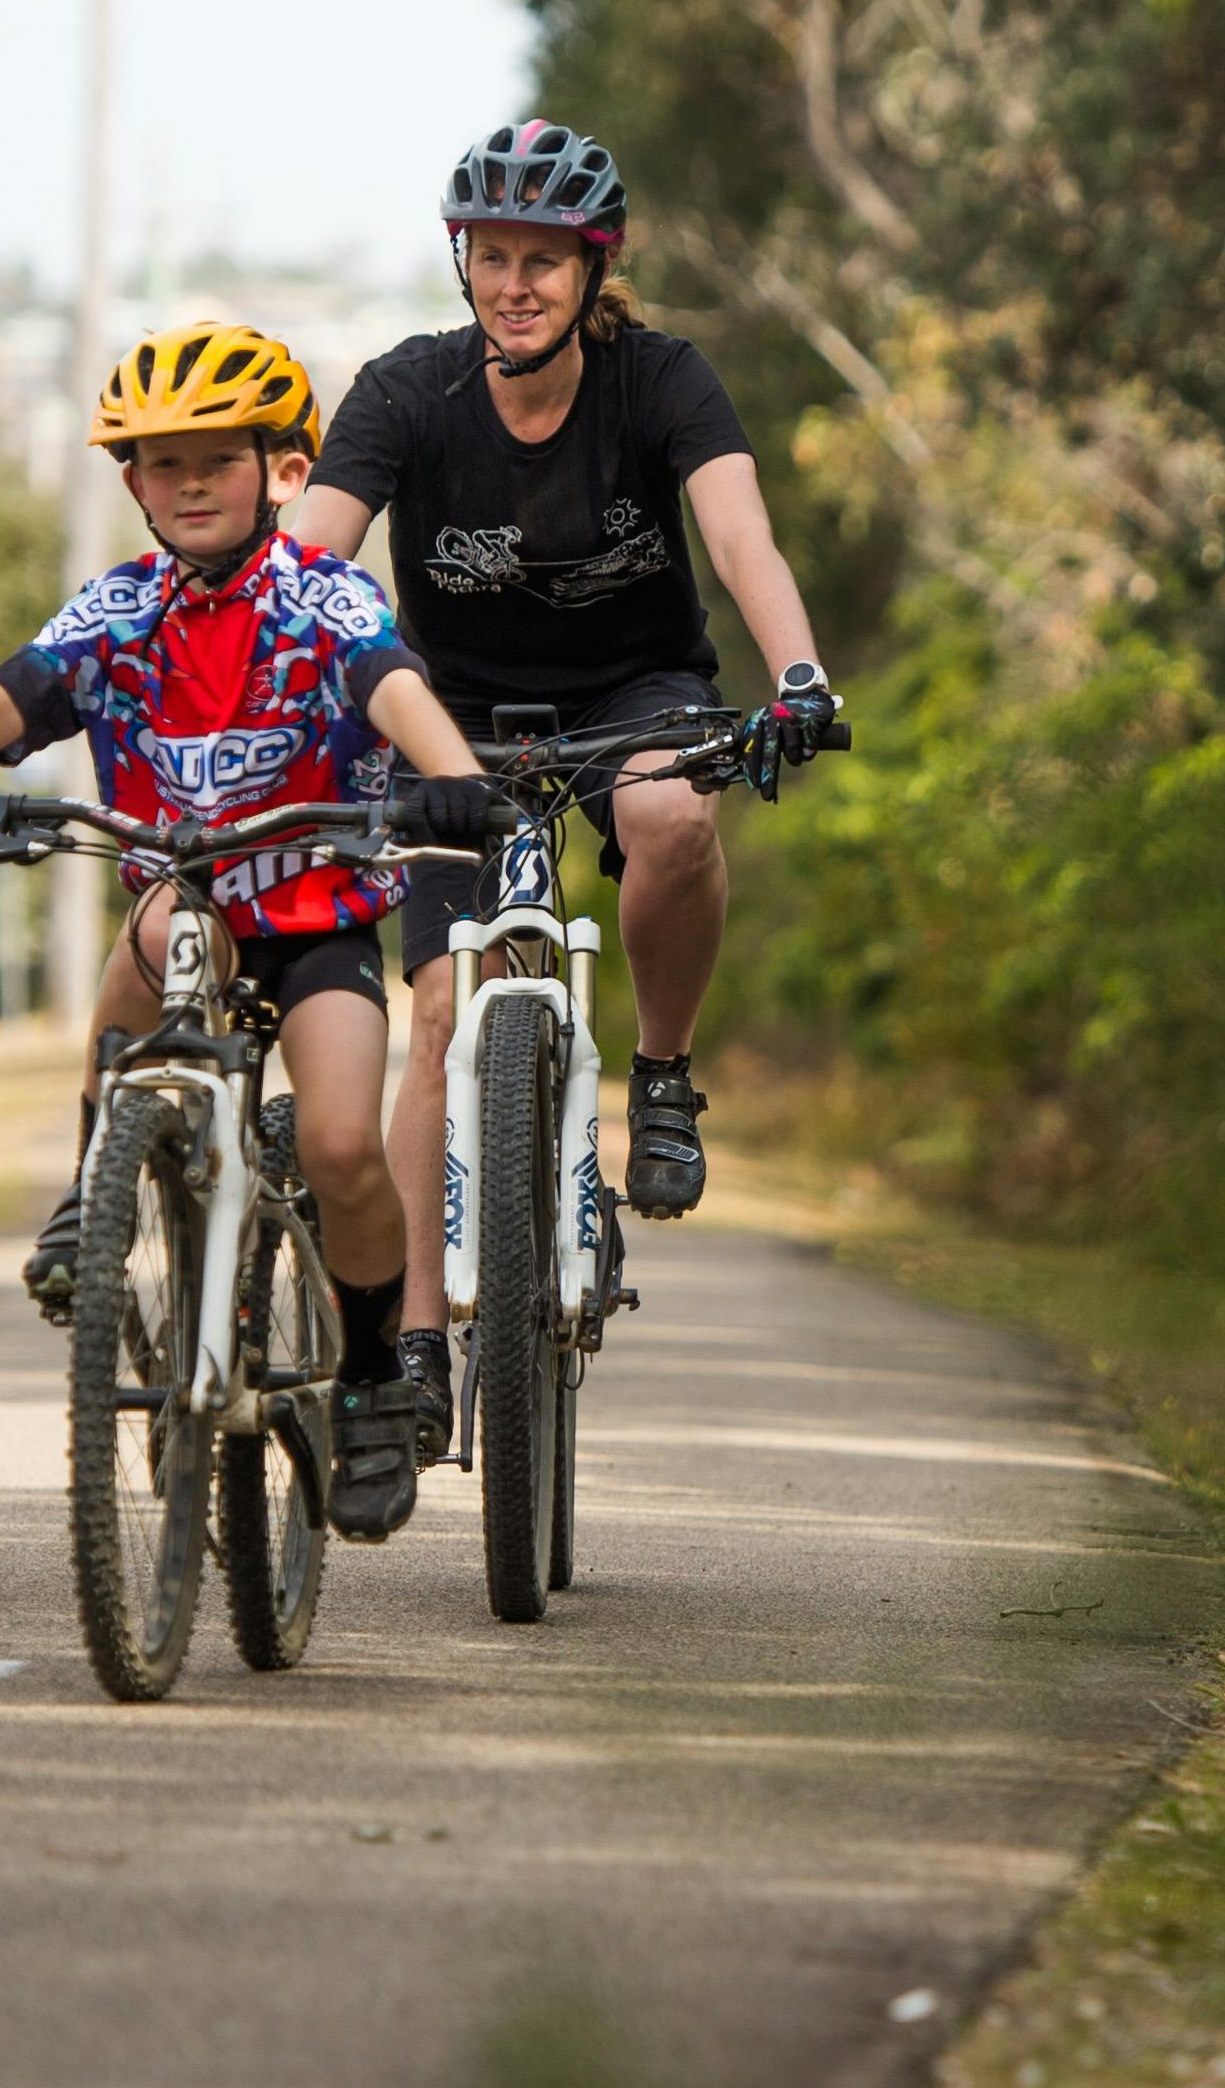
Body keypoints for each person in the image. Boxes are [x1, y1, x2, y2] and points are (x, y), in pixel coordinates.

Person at [0, 319, 506, 1540]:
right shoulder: (120, 611)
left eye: (219, 456)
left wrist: (450, 776)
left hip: (314, 919)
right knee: (157, 916)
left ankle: (372, 1379)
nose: (191, 481)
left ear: (286, 471)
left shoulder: (317, 595)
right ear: (131, 485)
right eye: (162, 463)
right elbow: (13, 690)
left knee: (338, 1144)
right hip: (187, 906)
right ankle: (94, 1181)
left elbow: (389, 681)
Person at [291, 120, 849, 1444]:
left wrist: (801, 678)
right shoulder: (403, 394)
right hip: (450, 720)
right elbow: (309, 561)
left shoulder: (662, 382)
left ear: (596, 271)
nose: (516, 285)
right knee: (436, 1016)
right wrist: (274, 673)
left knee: (672, 816)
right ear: (463, 263)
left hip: (633, 693)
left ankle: (659, 1073)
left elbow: (739, 531)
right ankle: (420, 1337)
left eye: (546, 260)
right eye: (493, 258)